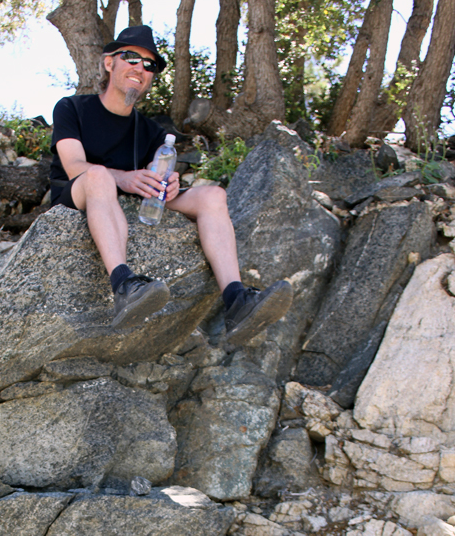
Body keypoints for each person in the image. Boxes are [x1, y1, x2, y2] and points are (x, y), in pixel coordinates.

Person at [49, 24, 292, 339]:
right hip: (78, 193)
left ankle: (236, 300)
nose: (140, 68)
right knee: (98, 176)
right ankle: (123, 286)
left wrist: (169, 185)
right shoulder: (71, 108)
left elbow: (155, 176)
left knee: (213, 196)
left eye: (149, 65)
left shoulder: (152, 131)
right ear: (109, 63)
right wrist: (125, 178)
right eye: (131, 58)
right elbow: (74, 167)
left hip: (126, 197)